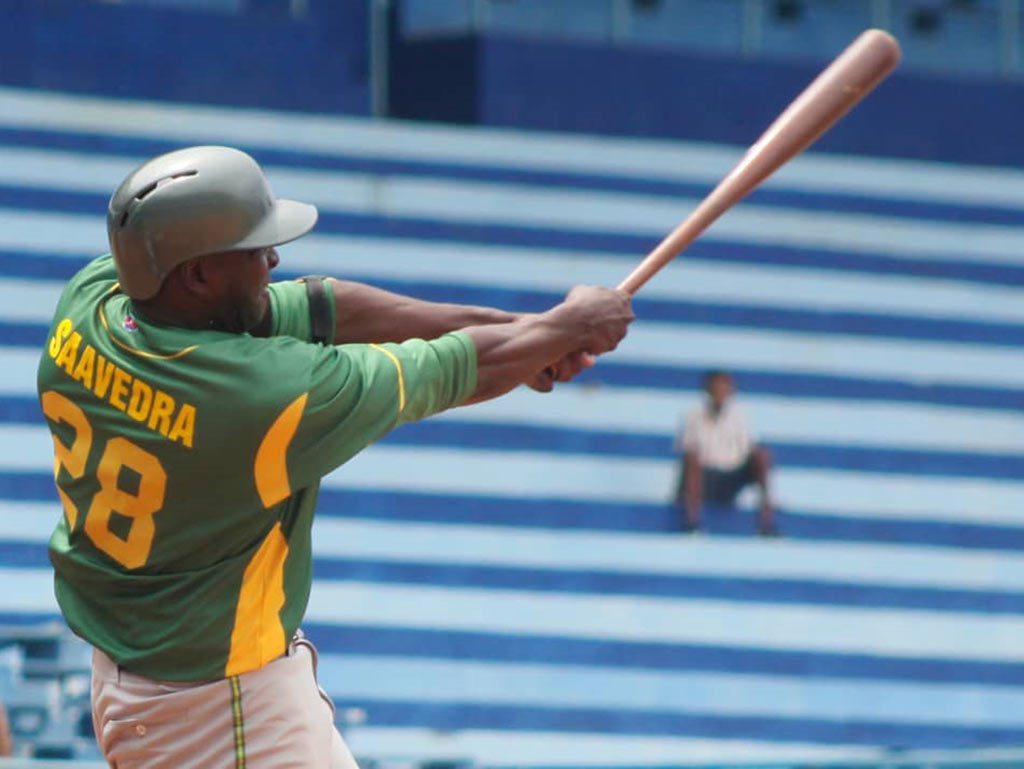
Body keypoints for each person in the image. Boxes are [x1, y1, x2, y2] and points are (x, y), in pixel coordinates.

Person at [36, 145, 633, 768]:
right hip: (220, 711)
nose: (272, 260)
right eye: (253, 250)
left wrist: (525, 329)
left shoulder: (93, 302)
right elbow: (456, 368)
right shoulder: (261, 397)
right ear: (198, 277)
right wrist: (568, 326)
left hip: (157, 681)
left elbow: (323, 307)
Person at [674, 370, 776, 536]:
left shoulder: (741, 417)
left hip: (731, 476)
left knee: (762, 456)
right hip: (705, 476)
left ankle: (767, 521)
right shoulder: (692, 417)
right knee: (692, 459)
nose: (720, 393)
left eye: (724, 389)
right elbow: (686, 457)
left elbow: (749, 449)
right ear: (707, 391)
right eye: (716, 389)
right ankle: (693, 522)